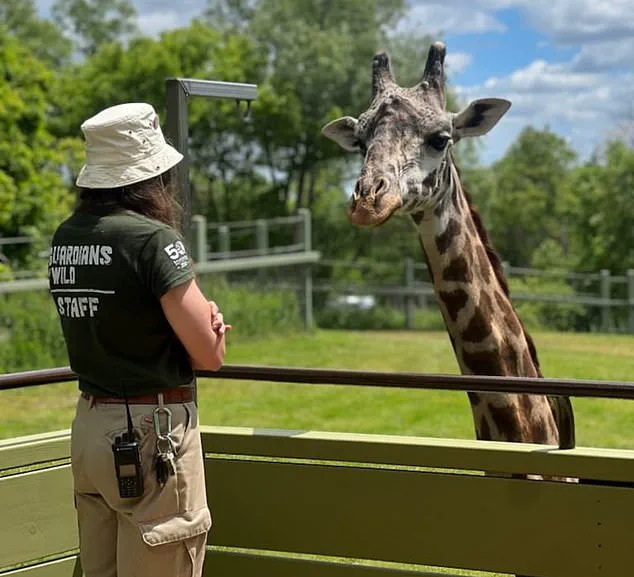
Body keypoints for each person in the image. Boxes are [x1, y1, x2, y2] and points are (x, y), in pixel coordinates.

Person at [48, 102, 229, 577]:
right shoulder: (153, 240)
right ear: (151, 176)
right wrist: (211, 324)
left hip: (90, 427)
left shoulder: (66, 237)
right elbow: (210, 354)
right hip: (154, 434)